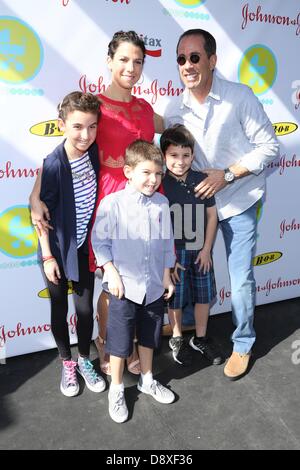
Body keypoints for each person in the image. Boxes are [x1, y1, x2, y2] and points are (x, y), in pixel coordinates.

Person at [29, 31, 164, 376]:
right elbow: (61, 155)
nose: (131, 68)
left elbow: (164, 133)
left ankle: (130, 344)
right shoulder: (94, 108)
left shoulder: (146, 108)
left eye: (137, 61)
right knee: (110, 281)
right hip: (104, 207)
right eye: (123, 59)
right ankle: (107, 344)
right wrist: (34, 195)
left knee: (136, 275)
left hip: (143, 206)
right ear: (109, 61)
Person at [165, 29, 279, 380]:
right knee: (188, 270)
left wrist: (227, 175)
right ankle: (185, 334)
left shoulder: (239, 97)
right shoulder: (173, 109)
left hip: (240, 200)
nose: (187, 64)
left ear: (212, 60)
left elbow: (271, 147)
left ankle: (242, 343)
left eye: (195, 57)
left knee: (241, 277)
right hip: (197, 208)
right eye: (181, 58)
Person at [91, 140, 176, 423]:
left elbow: (166, 243)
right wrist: (111, 272)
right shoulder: (111, 203)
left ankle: (147, 380)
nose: (153, 180)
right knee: (119, 341)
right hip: (123, 288)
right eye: (146, 173)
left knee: (150, 336)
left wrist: (166, 276)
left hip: (153, 287)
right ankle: (116, 389)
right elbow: (99, 242)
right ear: (128, 170)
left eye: (158, 174)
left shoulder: (162, 203)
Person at [34, 91, 106, 397]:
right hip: (57, 251)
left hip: (83, 249)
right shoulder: (54, 164)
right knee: (59, 307)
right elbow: (41, 219)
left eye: (91, 127)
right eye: (77, 127)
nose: (85, 134)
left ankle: (85, 359)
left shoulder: (93, 151)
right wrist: (49, 257)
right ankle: (67, 364)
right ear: (62, 125)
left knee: (85, 309)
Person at [160, 124, 222, 367]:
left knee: (203, 296)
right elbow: (158, 226)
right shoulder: (161, 185)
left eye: (186, 155)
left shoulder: (202, 180)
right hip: (174, 257)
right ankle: (177, 339)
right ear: (164, 156)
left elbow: (212, 216)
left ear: (193, 155)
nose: (180, 161)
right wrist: (169, 260)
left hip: (201, 253)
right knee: (174, 299)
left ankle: (201, 338)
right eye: (174, 155)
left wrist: (207, 249)